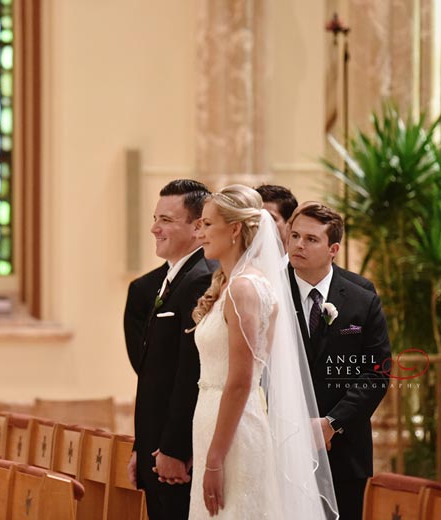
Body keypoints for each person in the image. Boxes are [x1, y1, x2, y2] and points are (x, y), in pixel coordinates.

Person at [189, 185, 337, 519]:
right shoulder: (232, 283)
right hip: (214, 418)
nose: (200, 233)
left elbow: (242, 379)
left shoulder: (244, 288)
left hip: (233, 429)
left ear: (235, 229)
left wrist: (215, 458)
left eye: (208, 224)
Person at [287, 202, 390, 520]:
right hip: (283, 448)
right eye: (294, 236)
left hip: (345, 453)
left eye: (311, 239)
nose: (299, 245)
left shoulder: (362, 298)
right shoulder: (268, 292)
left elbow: (376, 373)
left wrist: (332, 424)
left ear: (333, 248)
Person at [129, 179, 215, 520]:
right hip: (157, 447)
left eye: (165, 220)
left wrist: (175, 448)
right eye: (155, 218)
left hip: (176, 455)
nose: (154, 228)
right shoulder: (174, 278)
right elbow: (152, 374)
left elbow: (189, 371)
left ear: (197, 227)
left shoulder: (200, 279)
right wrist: (143, 445)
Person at [255, 184, 297, 251]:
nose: (260, 224)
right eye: (256, 218)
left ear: (290, 224)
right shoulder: (246, 260)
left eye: (270, 219)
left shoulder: (299, 260)